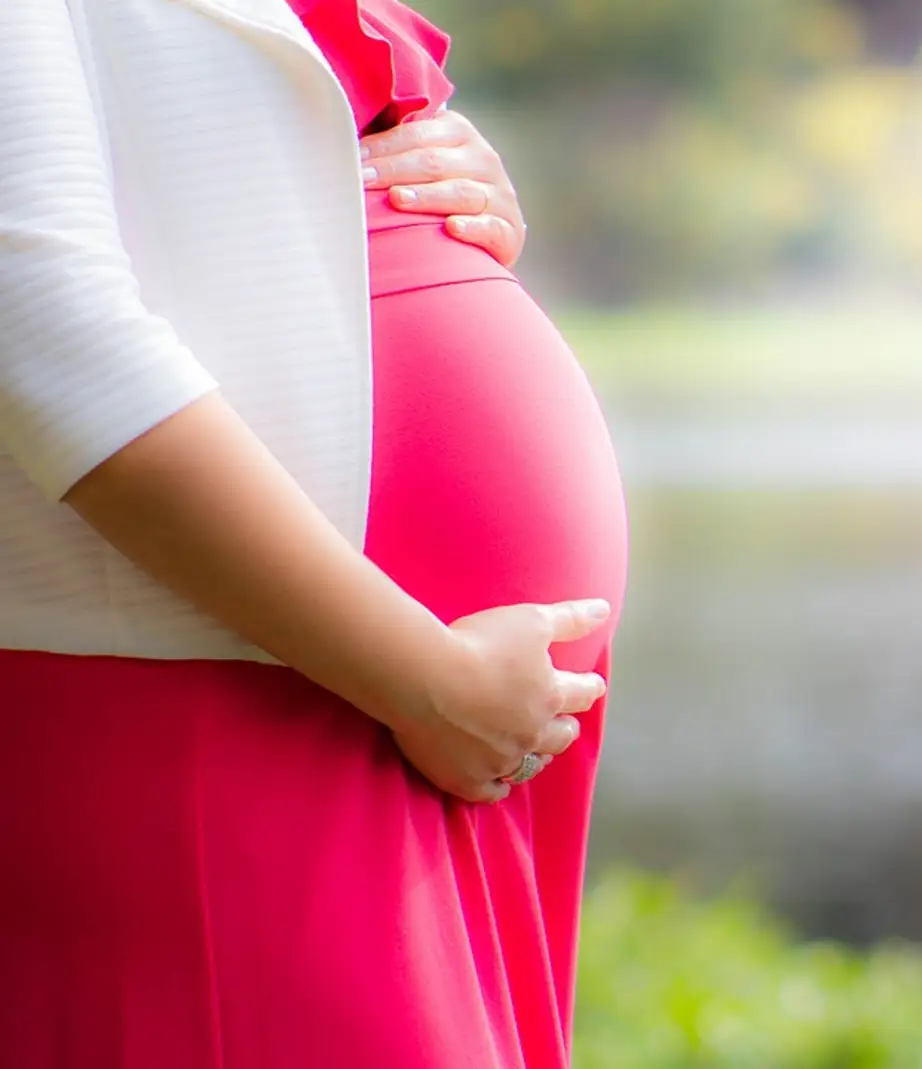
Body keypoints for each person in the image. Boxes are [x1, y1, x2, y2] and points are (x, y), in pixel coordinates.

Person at [0, 1, 629, 1066]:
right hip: (235, 689)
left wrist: (423, 180)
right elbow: (39, 317)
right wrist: (424, 677)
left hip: (386, 698)